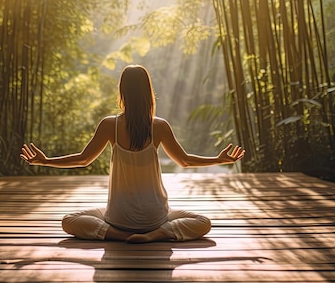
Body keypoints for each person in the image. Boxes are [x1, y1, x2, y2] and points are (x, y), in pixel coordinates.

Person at [21, 64, 245, 243]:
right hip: (155, 218)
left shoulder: (110, 125)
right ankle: (156, 235)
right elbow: (184, 161)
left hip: (117, 218)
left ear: (122, 92)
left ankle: (119, 236)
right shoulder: (159, 126)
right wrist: (218, 159)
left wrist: (46, 160)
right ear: (149, 92)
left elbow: (83, 159)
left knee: (70, 221)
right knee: (202, 222)